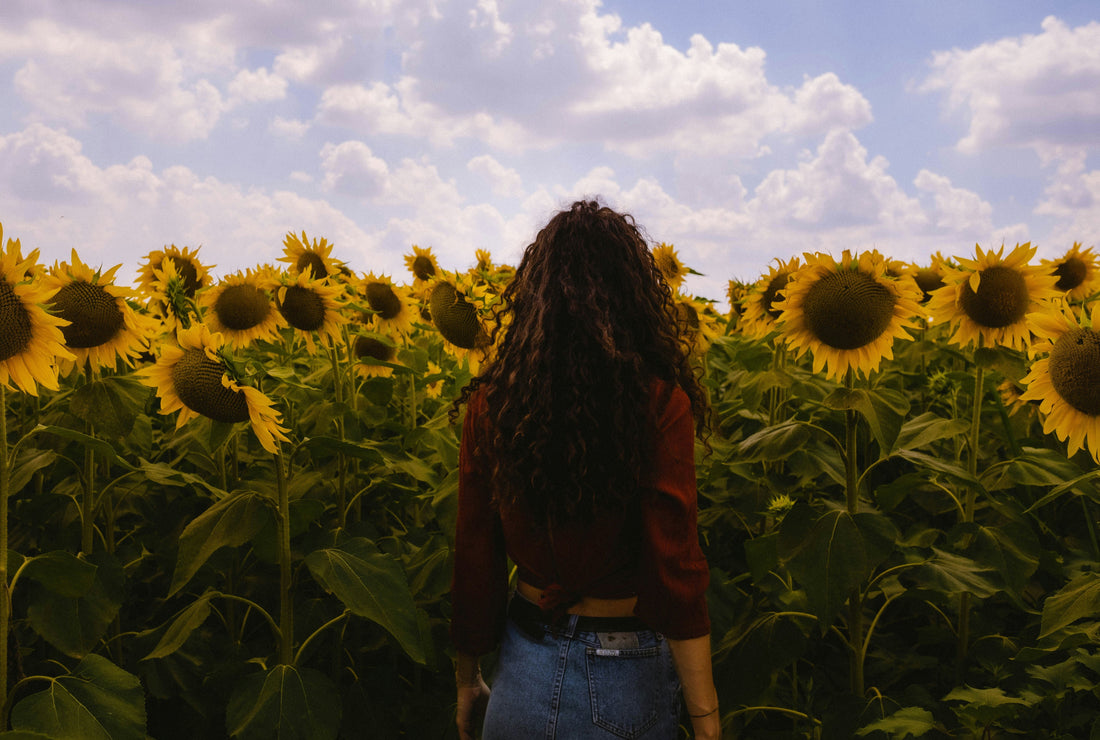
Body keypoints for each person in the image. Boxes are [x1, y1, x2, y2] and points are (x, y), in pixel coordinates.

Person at [450, 200, 720, 739]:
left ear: (533, 298)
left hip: (521, 674)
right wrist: (706, 718)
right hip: (626, 683)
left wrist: (468, 680)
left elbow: (475, 553)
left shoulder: (493, 404)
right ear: (635, 296)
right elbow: (675, 571)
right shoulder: (659, 405)